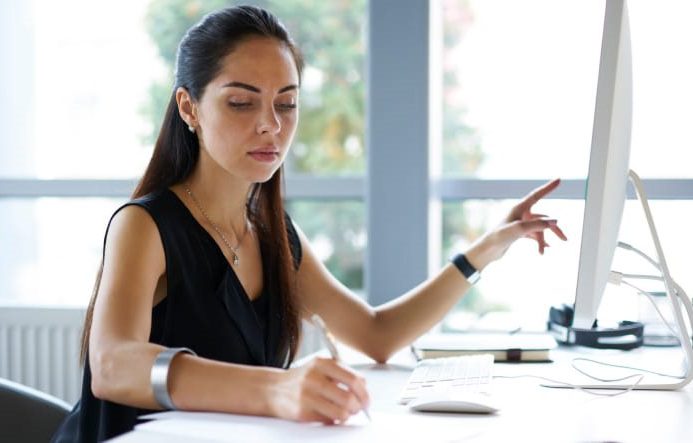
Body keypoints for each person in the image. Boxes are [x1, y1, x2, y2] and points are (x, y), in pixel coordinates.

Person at [51, 5, 567, 442]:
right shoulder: (145, 225)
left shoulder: (274, 235)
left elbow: (377, 334)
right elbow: (114, 366)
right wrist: (277, 389)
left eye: (287, 103)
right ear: (189, 107)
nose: (270, 125)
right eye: (240, 102)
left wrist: (487, 249)